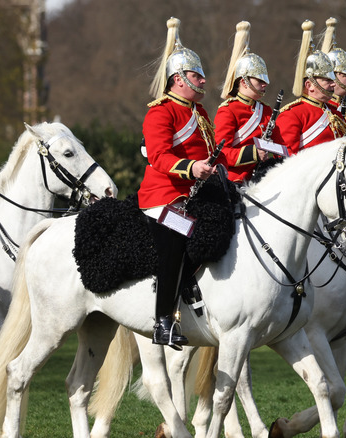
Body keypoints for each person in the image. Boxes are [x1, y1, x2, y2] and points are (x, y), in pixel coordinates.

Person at [139, 17, 221, 349]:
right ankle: (163, 321)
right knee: (180, 234)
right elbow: (158, 157)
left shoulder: (199, 113)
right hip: (162, 198)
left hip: (193, 196)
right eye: (196, 75)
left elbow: (213, 153)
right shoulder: (161, 113)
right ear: (178, 79)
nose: (203, 80)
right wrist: (192, 168)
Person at [273, 20, 346, 155]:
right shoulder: (292, 115)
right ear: (309, 85)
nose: (333, 84)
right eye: (327, 81)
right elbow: (286, 160)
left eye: (333, 80)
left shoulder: (334, 113)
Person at [214, 21, 275, 183]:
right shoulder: (228, 110)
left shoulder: (267, 111)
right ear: (244, 82)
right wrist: (253, 153)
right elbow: (221, 152)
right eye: (259, 80)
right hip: (236, 180)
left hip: (265, 177)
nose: (265, 84)